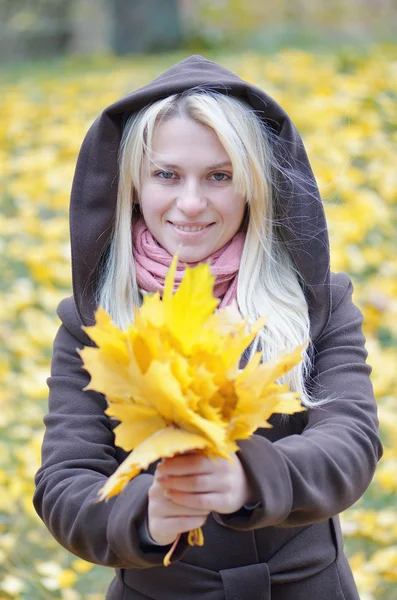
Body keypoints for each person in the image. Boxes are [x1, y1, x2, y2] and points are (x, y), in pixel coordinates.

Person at [33, 55, 382, 600]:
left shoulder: (318, 304)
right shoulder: (93, 324)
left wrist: (252, 477)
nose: (191, 203)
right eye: (167, 175)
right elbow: (64, 484)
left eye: (219, 177)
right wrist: (146, 513)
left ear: (252, 187)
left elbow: (352, 442)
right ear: (132, 185)